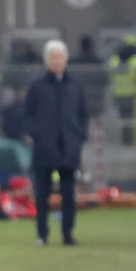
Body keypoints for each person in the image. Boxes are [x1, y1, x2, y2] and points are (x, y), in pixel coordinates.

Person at [24, 40, 88, 247]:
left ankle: (68, 233)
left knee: (68, 194)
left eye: (60, 57)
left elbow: (83, 114)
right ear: (46, 60)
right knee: (42, 194)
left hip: (69, 146)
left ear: (66, 59)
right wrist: (36, 134)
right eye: (53, 57)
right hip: (44, 147)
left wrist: (79, 136)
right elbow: (28, 114)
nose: (57, 61)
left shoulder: (76, 85)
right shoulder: (37, 86)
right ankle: (42, 234)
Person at [109, 34, 136, 145]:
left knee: (124, 118)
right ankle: (129, 141)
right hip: (131, 92)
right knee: (131, 119)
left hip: (118, 92)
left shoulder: (115, 59)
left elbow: (111, 72)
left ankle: (126, 140)